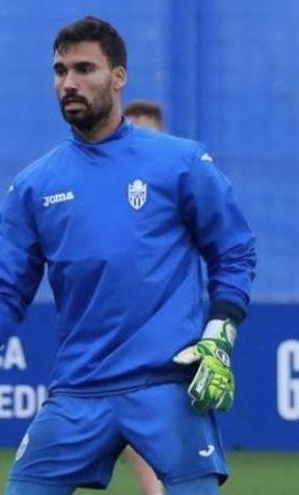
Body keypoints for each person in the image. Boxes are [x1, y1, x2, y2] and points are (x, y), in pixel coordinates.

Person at [0, 16, 256, 495]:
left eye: (84, 68)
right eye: (60, 70)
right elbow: (4, 286)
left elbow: (234, 250)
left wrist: (220, 335)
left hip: (167, 385)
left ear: (118, 76)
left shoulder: (180, 163)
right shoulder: (34, 186)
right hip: (79, 390)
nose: (69, 82)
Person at [123, 98, 167, 495]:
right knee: (131, 406)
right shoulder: (106, 180)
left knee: (177, 412)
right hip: (121, 322)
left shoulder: (180, 179)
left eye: (146, 126)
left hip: (175, 319)